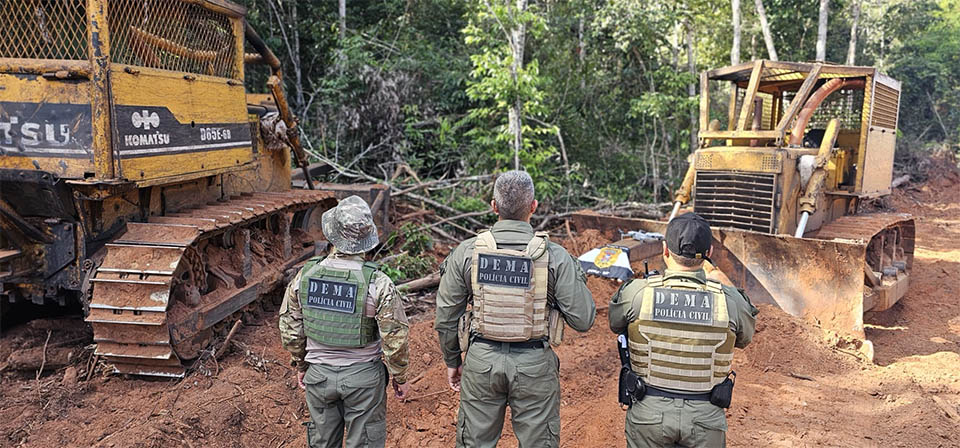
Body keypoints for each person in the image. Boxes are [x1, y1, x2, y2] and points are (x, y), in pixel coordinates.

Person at [435, 170, 597, 448]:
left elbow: (446, 316)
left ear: (494, 206)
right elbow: (583, 319)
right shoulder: (554, 255)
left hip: (481, 362)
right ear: (533, 207)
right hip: (534, 365)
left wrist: (453, 361)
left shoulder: (467, 252)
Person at [609, 212, 758, 448]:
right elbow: (745, 337)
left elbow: (616, 324)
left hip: (649, 414)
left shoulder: (636, 293)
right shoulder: (729, 301)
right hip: (705, 419)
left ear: (665, 249)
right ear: (709, 253)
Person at [279, 195, 410, 448]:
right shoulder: (378, 283)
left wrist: (300, 365)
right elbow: (395, 337)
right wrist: (400, 377)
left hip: (318, 376)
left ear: (331, 235)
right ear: (366, 240)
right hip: (363, 380)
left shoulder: (304, 276)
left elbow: (290, 327)